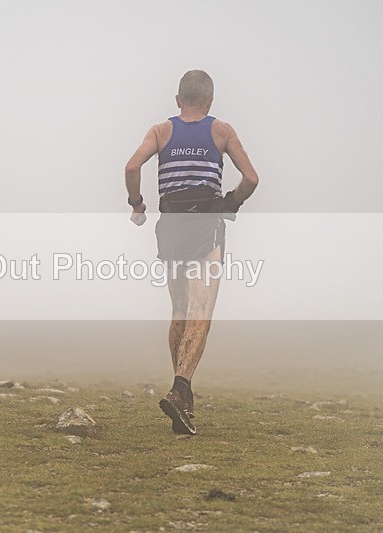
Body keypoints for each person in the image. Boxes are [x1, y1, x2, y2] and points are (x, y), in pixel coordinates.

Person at [124, 70, 258, 435]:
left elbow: (132, 166)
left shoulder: (160, 131)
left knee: (180, 310)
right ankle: (179, 389)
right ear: (210, 101)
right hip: (205, 226)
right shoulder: (221, 131)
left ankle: (182, 394)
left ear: (178, 100)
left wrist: (137, 204)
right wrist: (230, 204)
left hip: (170, 225)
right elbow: (251, 178)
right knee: (201, 311)